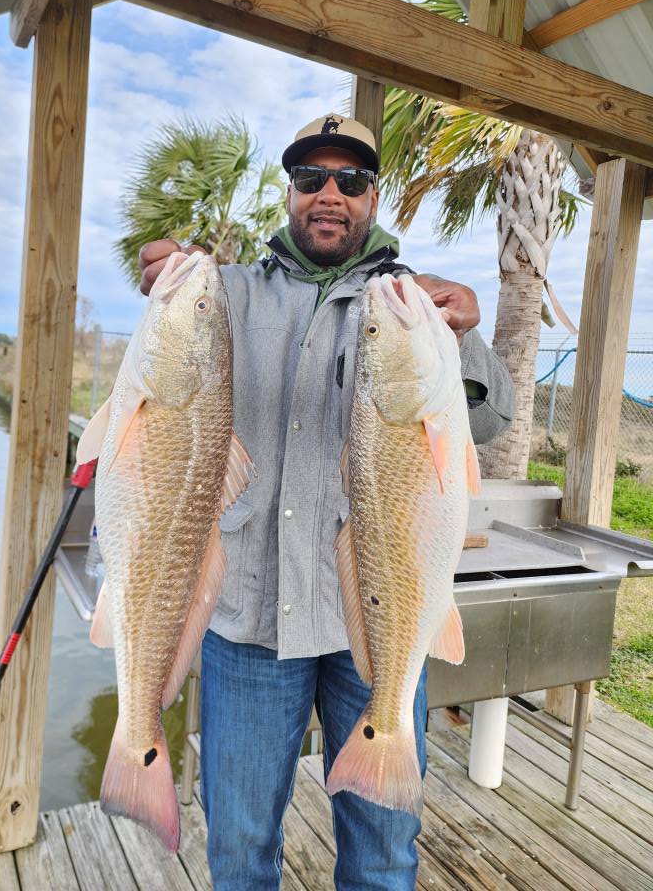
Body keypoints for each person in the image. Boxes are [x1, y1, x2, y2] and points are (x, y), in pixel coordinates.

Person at [138, 113, 514, 890]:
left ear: (374, 196)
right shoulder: (229, 292)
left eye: (351, 179)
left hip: (370, 625)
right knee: (239, 850)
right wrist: (168, 269)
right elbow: (170, 343)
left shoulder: (408, 304)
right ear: (291, 193)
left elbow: (488, 420)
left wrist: (463, 337)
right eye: (312, 178)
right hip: (248, 622)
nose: (330, 194)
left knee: (384, 852)